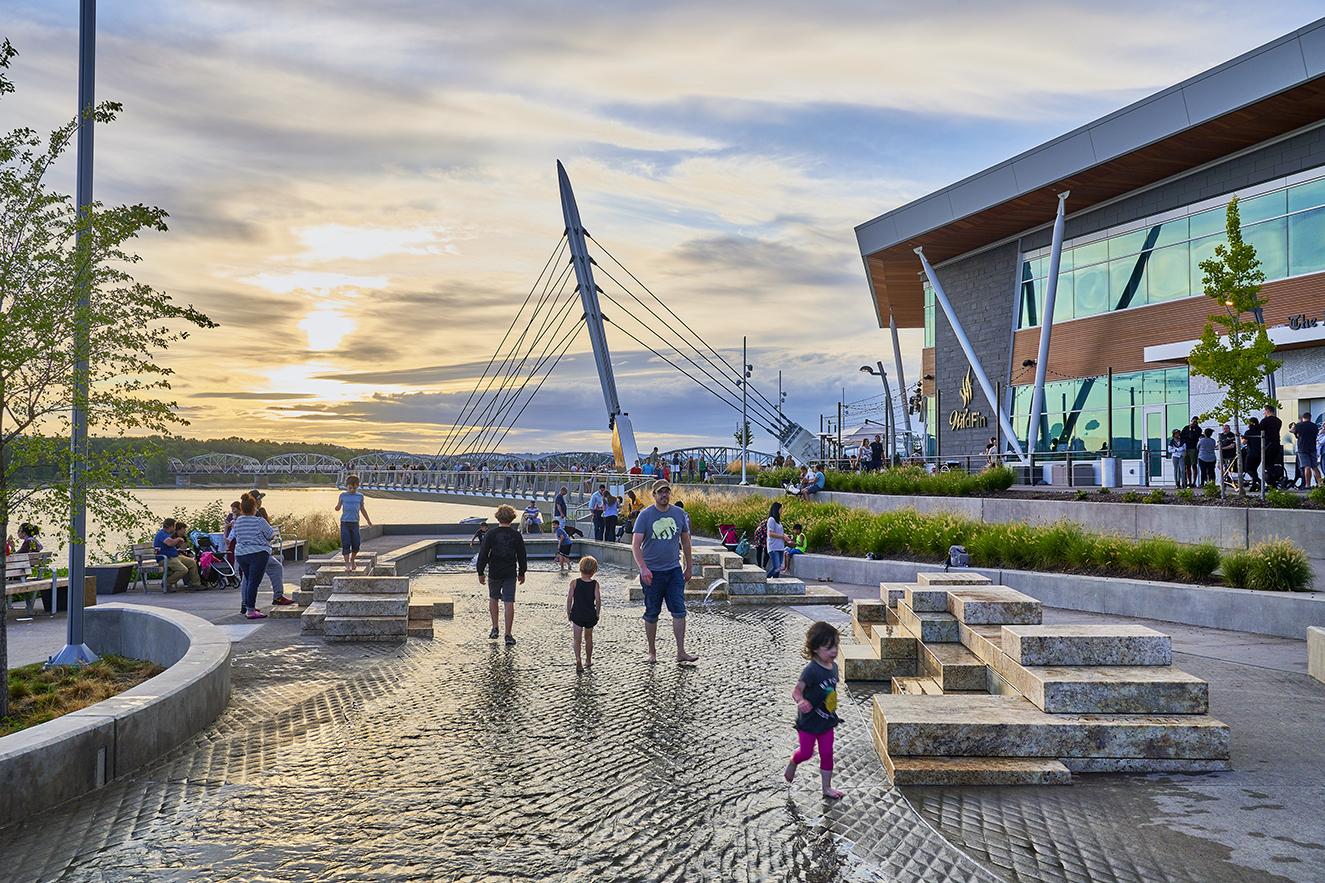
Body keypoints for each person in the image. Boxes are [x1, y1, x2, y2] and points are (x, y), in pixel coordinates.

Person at [631, 479, 698, 664]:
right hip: (652, 572)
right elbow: (635, 545)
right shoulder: (645, 516)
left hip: (674, 570)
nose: (664, 495)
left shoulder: (679, 514)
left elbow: (686, 541)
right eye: (660, 492)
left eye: (667, 491)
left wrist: (689, 566)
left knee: (679, 611)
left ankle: (681, 651)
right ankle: (652, 652)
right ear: (654, 495)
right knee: (652, 612)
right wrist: (643, 568)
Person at [783, 621, 844, 799]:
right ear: (816, 649)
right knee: (806, 753)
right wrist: (801, 701)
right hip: (808, 722)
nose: (834, 651)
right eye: (829, 647)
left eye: (836, 646)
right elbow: (796, 691)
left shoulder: (833, 668)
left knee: (827, 753)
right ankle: (794, 761)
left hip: (826, 720)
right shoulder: (810, 671)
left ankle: (826, 788)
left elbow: (830, 690)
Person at [476, 504, 526, 646]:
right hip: (510, 572)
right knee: (509, 601)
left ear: (497, 517)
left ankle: (495, 628)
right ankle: (508, 634)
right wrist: (522, 572)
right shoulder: (516, 535)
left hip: (494, 571)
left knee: (493, 598)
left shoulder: (491, 534)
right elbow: (522, 555)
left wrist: (480, 572)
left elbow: (484, 554)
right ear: (512, 518)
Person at [231, 495, 274, 619]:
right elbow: (271, 535)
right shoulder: (259, 521)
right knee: (254, 582)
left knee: (249, 580)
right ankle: (250, 610)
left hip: (241, 554)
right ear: (254, 508)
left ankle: (248, 606)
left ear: (242, 508)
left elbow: (236, 536)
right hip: (258, 553)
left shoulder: (237, 521)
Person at [567, 555, 602, 673]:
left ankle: (578, 659)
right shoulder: (595, 584)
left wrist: (568, 612)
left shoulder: (574, 583)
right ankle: (588, 660)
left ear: (580, 568)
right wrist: (597, 613)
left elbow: (569, 599)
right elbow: (598, 600)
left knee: (577, 639)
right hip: (589, 614)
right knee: (589, 638)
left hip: (577, 614)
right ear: (593, 571)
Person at [335, 474, 373, 572]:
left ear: (357, 486)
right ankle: (347, 564)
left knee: (356, 544)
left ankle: (352, 559)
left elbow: (362, 509)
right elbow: (338, 506)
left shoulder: (360, 496)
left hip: (355, 523)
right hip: (345, 523)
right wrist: (337, 507)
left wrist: (368, 520)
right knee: (346, 543)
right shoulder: (342, 495)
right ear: (346, 486)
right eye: (350, 488)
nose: (352, 490)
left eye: (354, 488)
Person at [154, 517, 201, 591]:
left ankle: (196, 584)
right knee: (183, 570)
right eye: (174, 526)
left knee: (192, 562)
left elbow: (173, 544)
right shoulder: (161, 534)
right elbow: (170, 543)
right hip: (166, 559)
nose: (175, 528)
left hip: (175, 556)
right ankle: (166, 583)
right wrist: (178, 539)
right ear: (171, 526)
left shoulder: (168, 534)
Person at [1293, 412, 1319, 489]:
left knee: (1307, 467)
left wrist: (1296, 430)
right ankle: (1320, 484)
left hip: (1302, 449)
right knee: (1314, 467)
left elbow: (1291, 430)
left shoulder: (1299, 425)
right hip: (1312, 448)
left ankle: (1307, 485)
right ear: (1310, 418)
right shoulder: (1314, 426)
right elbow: (1316, 434)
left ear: (1302, 418)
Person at [1261, 406, 1284, 486]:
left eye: (1264, 411)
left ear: (1267, 411)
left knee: (1267, 464)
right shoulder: (1279, 421)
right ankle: (1274, 481)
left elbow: (1261, 432)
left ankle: (1272, 481)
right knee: (1272, 463)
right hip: (1277, 444)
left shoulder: (1265, 421)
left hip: (1268, 445)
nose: (1264, 412)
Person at [765, 501, 788, 578]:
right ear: (776, 509)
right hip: (773, 547)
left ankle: (775, 582)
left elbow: (780, 533)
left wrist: (786, 536)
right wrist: (782, 536)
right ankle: (766, 579)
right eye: (781, 509)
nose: (781, 511)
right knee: (776, 567)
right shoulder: (771, 519)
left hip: (780, 547)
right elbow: (770, 534)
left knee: (779, 568)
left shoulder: (779, 522)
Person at [1180, 417, 1202, 488]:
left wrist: (1191, 430)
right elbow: (1182, 436)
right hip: (1186, 448)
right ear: (1191, 421)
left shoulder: (1198, 429)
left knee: (1194, 465)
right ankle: (1189, 481)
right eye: (1193, 421)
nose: (1194, 423)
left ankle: (1194, 482)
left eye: (1196, 422)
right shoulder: (1186, 428)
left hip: (1193, 448)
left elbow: (1193, 437)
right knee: (1187, 466)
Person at [1242, 417, 1263, 490]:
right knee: (1254, 470)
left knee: (1247, 469)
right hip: (1259, 454)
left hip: (1251, 453)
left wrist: (1242, 438)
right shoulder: (1260, 431)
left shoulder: (1248, 432)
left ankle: (1259, 481)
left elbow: (1243, 442)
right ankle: (1254, 486)